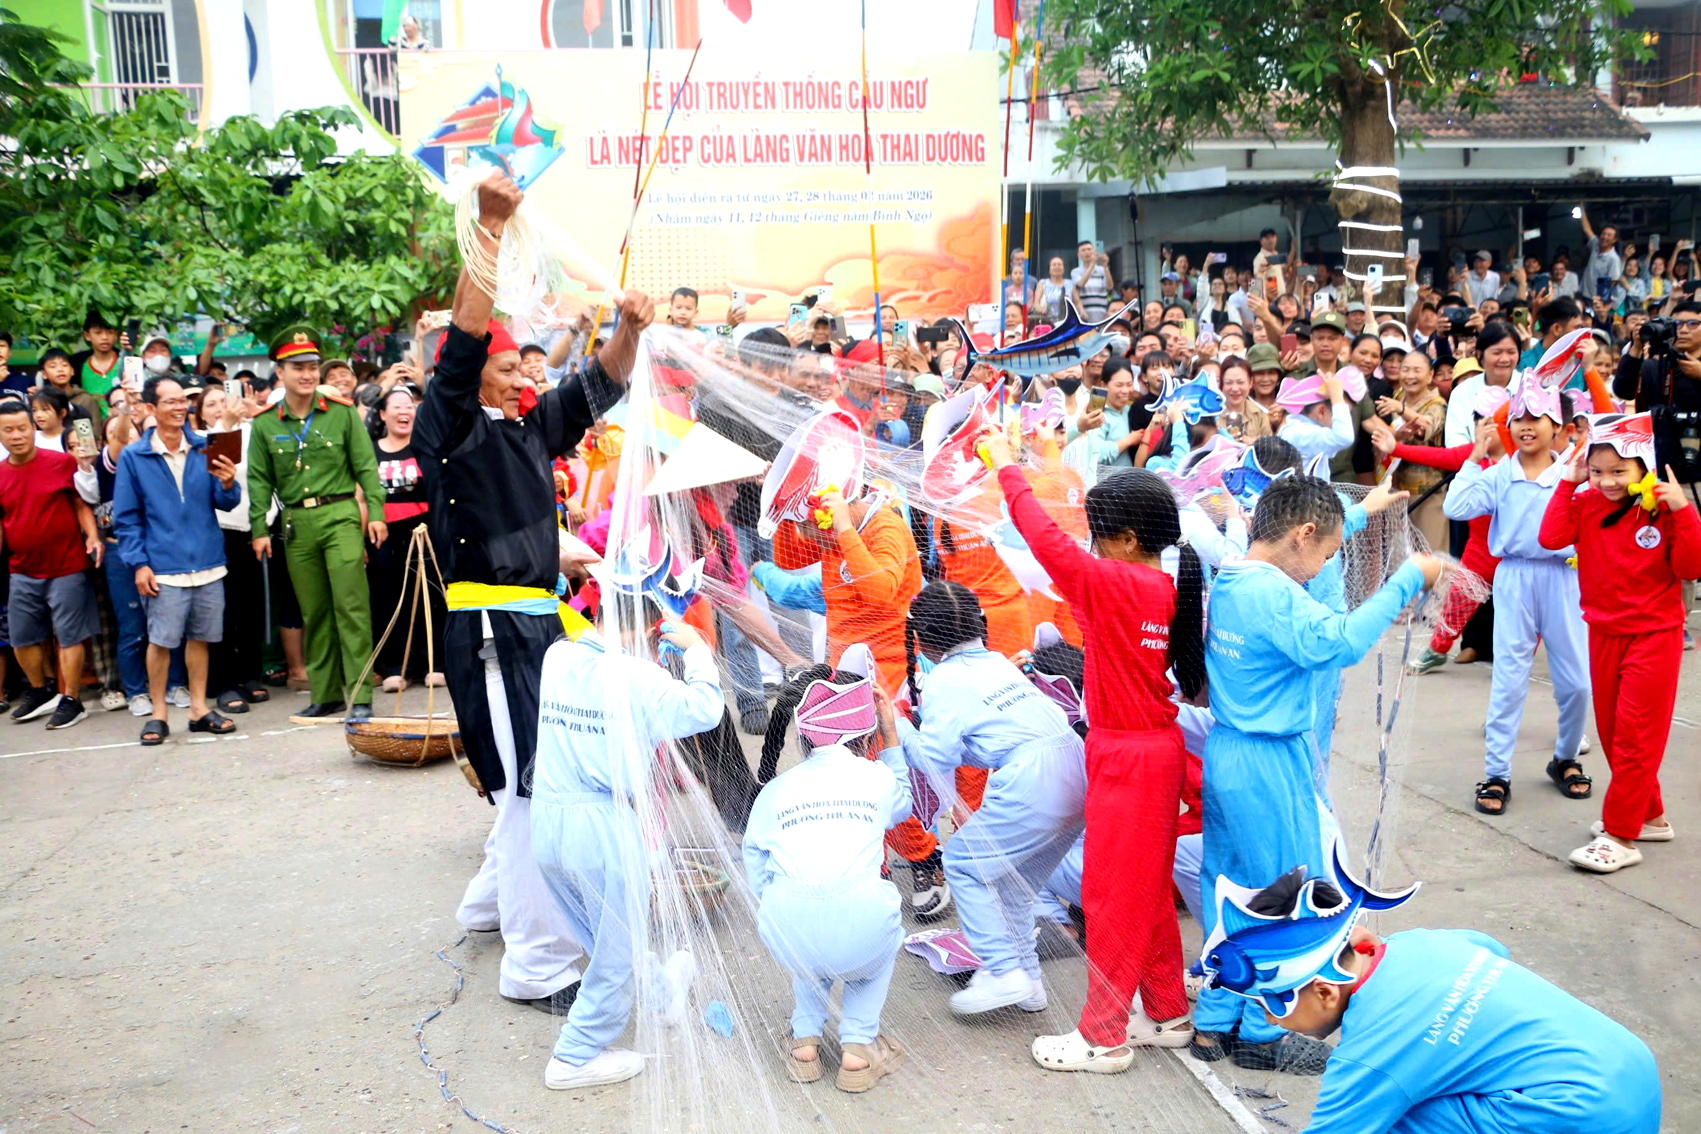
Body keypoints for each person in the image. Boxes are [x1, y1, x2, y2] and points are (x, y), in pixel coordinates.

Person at [416, 173, 651, 1017]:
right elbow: (464, 337)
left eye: (525, 364)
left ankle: (488, 905)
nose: (525, 373)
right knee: (527, 795)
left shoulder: (527, 426)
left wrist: (627, 326)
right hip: (490, 634)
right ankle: (539, 963)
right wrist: (487, 225)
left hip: (541, 629)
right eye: (511, 362)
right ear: (475, 371)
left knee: (531, 780)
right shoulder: (449, 427)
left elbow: (600, 385)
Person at [1192, 476, 1440, 1073]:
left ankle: (1214, 1019)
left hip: (1228, 752)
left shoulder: (1235, 572)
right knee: (1289, 894)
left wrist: (1357, 516)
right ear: (1302, 535)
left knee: (1228, 888)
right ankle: (1264, 1029)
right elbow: (1343, 642)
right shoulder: (1275, 594)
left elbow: (1313, 544)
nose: (1323, 568)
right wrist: (1411, 576)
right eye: (1327, 555)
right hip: (1268, 760)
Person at [986, 440, 1208, 1074]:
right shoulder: (1160, 585)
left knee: (1111, 898)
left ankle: (1103, 1036)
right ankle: (1165, 1013)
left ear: (1129, 538)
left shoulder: (1113, 582)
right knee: (1146, 894)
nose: (1087, 545)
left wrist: (1008, 468)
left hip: (1128, 760)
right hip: (1151, 753)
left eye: (1098, 535)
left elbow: (1042, 538)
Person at [1198, 862, 1662, 1134]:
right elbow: (1489, 947)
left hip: (1587, 1117)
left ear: (1322, 989)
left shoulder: (1369, 1060)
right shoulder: (1420, 942)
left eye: (1271, 1005)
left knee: (1402, 1114)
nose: (1273, 1022)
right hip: (1631, 1072)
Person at [527, 576, 724, 1090]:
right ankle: (574, 1056)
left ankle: (660, 993)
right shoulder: (639, 678)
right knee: (615, 949)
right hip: (601, 826)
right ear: (651, 624)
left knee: (606, 935)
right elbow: (706, 709)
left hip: (548, 819)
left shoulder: (558, 657)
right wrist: (699, 652)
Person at [897, 582, 1086, 1019]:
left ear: (922, 639)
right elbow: (980, 740)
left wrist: (899, 727)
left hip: (1034, 777)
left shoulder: (943, 679)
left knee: (964, 862)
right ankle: (1029, 981)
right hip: (1074, 768)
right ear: (981, 626)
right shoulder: (998, 662)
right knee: (1013, 888)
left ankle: (1002, 971)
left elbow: (936, 758)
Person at [1539, 415, 1700, 872]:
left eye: (1618, 471)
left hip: (1654, 636)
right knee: (1612, 733)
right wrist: (1568, 484)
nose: (1606, 480)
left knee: (1635, 736)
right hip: (1604, 631)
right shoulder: (1587, 501)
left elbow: (1690, 567)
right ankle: (1649, 815)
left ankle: (1621, 834)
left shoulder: (1662, 509)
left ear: (1643, 467)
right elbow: (1551, 537)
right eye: (1597, 470)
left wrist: (1683, 511)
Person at [746, 654, 913, 1093]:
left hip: (788, 932)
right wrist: (892, 735)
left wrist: (777, 902)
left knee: (806, 919)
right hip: (859, 927)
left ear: (804, 737)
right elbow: (906, 805)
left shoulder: (777, 790)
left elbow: (754, 858)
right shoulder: (876, 778)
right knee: (878, 942)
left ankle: (805, 1041)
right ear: (867, 735)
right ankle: (858, 1049)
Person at [1444, 375, 1589, 817]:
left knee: (1577, 682)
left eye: (1538, 418)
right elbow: (1455, 507)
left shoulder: (1574, 472)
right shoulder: (1501, 473)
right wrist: (1475, 455)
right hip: (1515, 578)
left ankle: (1565, 756)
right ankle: (1497, 772)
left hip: (1564, 578)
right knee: (1509, 678)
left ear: (1558, 425)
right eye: (1519, 417)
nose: (1527, 426)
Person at [246, 325, 387, 720]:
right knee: (315, 611)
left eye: (311, 366)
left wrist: (374, 513)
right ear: (280, 372)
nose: (306, 374)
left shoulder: (341, 413)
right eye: (297, 367)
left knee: (351, 606)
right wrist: (259, 528)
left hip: (340, 514)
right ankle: (325, 694)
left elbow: (366, 468)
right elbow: (258, 479)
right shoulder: (265, 423)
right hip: (295, 521)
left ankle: (359, 698)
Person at [111, 376, 242, 745]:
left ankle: (199, 709)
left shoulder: (206, 445)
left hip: (208, 559)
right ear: (151, 408)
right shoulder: (136, 456)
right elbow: (126, 518)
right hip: (163, 565)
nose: (179, 406)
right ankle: (158, 714)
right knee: (162, 641)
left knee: (201, 638)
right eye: (169, 401)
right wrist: (139, 563)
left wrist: (230, 483)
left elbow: (226, 502)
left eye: (182, 400)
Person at [1387, 384, 1507, 674]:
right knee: (1457, 602)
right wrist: (1396, 448)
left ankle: (1518, 659)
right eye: (1480, 422)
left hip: (1514, 553)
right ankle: (1437, 650)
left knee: (1526, 614)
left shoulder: (1525, 461)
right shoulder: (1472, 455)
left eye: (1493, 422)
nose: (1486, 428)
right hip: (1479, 550)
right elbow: (1436, 457)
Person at [0, 398, 102, 730]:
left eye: (22, 428)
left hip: (67, 565)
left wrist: (92, 537)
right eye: (8, 430)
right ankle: (40, 691)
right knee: (21, 637)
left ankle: (71, 699)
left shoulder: (60, 463)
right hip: (22, 568)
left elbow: (81, 504)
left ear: (34, 428)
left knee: (69, 636)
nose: (17, 435)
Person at [197, 382, 269, 713]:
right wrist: (224, 424)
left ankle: (251, 675)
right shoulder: (201, 439)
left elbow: (263, 477)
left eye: (222, 401)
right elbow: (214, 468)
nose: (218, 407)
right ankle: (225, 683)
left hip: (251, 529)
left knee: (251, 608)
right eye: (210, 404)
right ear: (200, 413)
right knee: (221, 612)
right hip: (215, 532)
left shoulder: (253, 431)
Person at [367, 387, 445, 690]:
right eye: (396, 407)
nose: (404, 412)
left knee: (431, 597)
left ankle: (435, 663)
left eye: (409, 406)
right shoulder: (370, 449)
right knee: (390, 600)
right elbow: (362, 495)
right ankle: (396, 666)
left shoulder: (426, 446)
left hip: (425, 530)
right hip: (385, 533)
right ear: (383, 415)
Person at [1444, 322, 1519, 446]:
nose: (1505, 359)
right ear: (1479, 354)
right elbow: (1455, 440)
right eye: (1497, 352)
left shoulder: (1528, 387)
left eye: (1511, 352)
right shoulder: (1462, 392)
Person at [1276, 372, 1353, 466]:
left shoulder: (1299, 429)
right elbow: (1344, 437)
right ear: (1321, 412)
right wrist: (1336, 395)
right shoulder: (1303, 433)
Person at [36, 348, 103, 424]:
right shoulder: (42, 402)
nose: (60, 369)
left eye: (64, 365)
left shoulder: (85, 400)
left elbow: (95, 430)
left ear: (72, 371)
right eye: (53, 366)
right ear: (44, 374)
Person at [68, 311, 123, 401]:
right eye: (98, 333)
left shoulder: (127, 361)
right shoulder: (76, 364)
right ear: (87, 335)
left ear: (116, 335)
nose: (105, 337)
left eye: (110, 332)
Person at [1069, 242, 1110, 322]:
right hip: (1085, 314)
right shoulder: (1076, 271)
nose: (1087, 252)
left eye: (1089, 249)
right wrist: (1092, 264)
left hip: (1102, 313)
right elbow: (1080, 284)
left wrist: (1105, 266)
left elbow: (1110, 286)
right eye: (1083, 250)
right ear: (1079, 255)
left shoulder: (1102, 270)